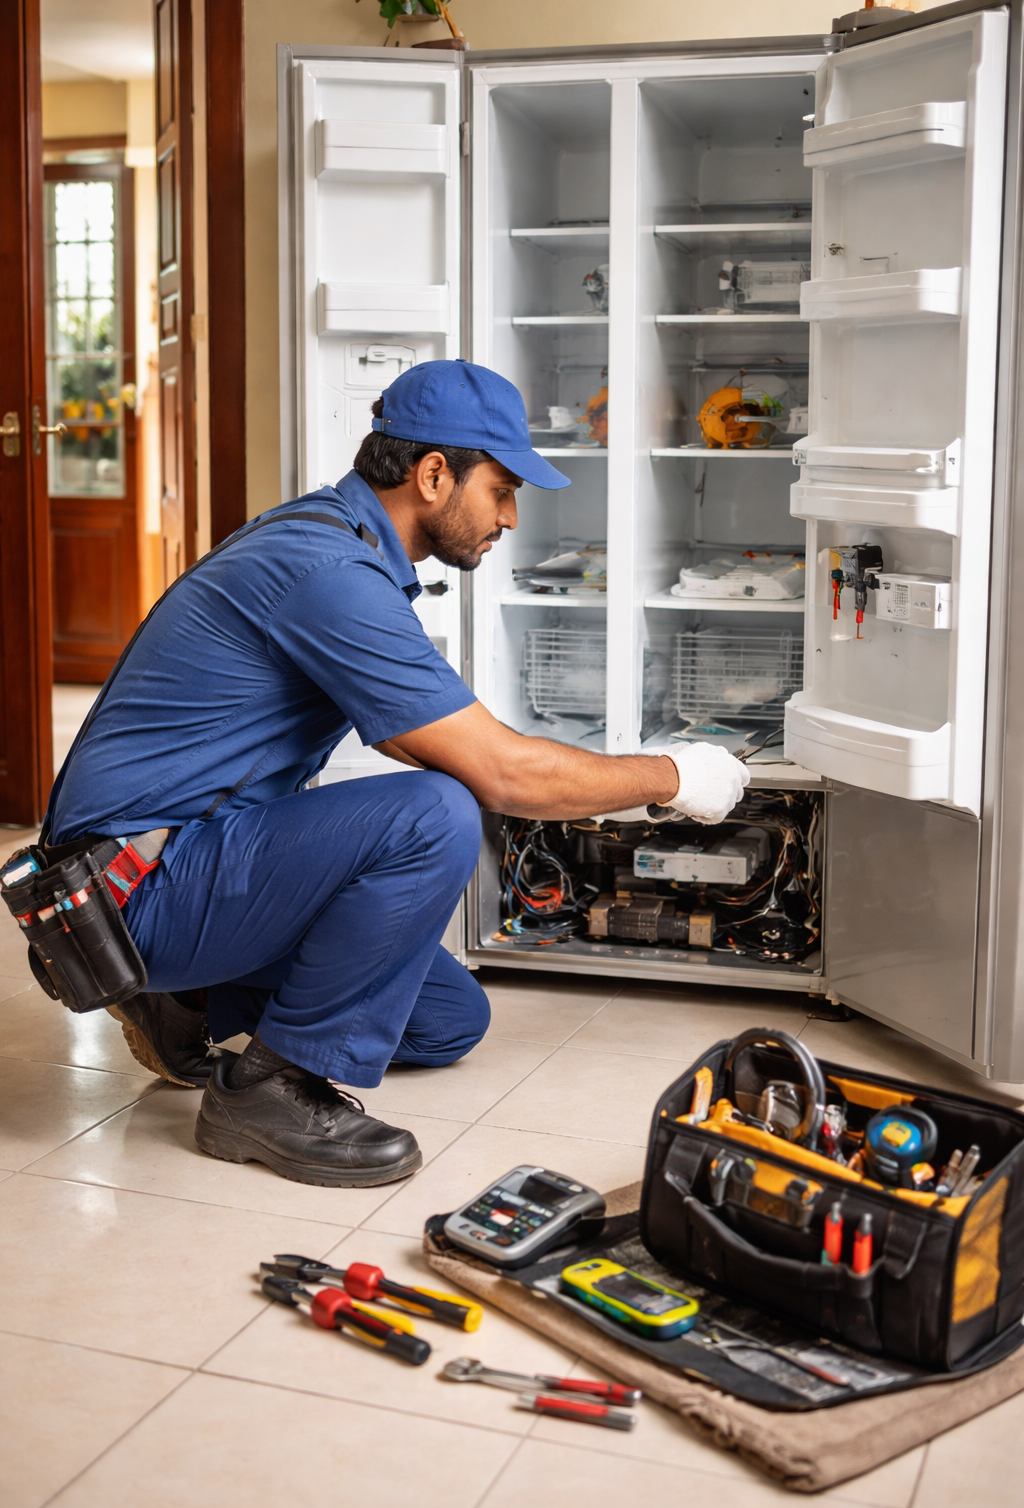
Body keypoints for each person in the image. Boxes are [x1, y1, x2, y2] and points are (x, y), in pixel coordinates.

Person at [43, 360, 748, 1187]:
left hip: (163, 866)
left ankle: (189, 1000)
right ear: (434, 474)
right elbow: (500, 778)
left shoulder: (335, 543)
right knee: (436, 814)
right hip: (121, 889)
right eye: (502, 489)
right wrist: (676, 774)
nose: (511, 517)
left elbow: (423, 741)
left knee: (450, 1021)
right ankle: (263, 1090)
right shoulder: (328, 575)